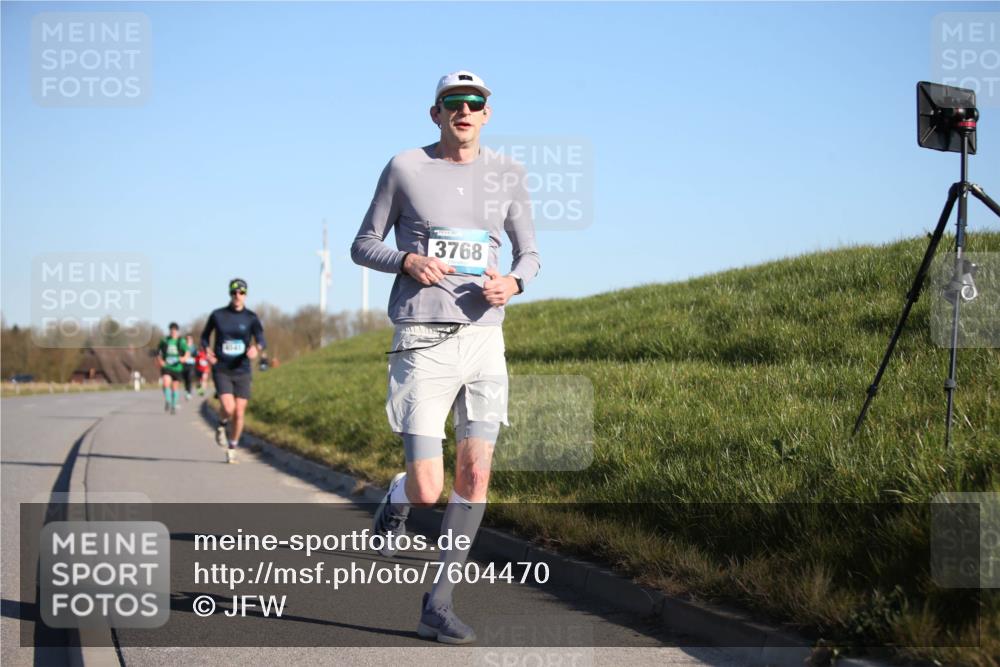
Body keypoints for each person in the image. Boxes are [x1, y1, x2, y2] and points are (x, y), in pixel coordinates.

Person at [351, 70, 540, 644]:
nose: (464, 110)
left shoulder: (509, 173)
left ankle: (439, 601)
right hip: (422, 338)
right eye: (452, 103)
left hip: (485, 336)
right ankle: (398, 495)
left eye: (474, 102)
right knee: (430, 487)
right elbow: (363, 244)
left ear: (487, 113)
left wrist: (514, 282)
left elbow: (529, 252)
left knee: (476, 473)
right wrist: (406, 262)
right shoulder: (405, 167)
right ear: (435, 114)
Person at [200, 278, 267, 464]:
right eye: (234, 292)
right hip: (222, 368)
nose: (237, 295)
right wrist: (207, 351)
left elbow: (261, 339)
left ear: (246, 295)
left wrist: (257, 348)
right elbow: (205, 337)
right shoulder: (218, 315)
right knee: (228, 408)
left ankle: (232, 447)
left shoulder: (251, 318)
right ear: (230, 294)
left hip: (243, 369)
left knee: (239, 412)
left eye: (241, 292)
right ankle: (221, 425)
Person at [156, 322, 189, 414]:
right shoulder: (165, 340)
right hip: (167, 366)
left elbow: (187, 352)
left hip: (177, 367)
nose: (173, 332)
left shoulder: (181, 341)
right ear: (169, 331)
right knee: (166, 382)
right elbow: (158, 352)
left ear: (177, 331)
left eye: (175, 330)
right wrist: (160, 361)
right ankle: (168, 400)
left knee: (175, 387)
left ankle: (173, 405)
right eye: (171, 330)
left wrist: (184, 358)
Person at [181, 334, 198, 400]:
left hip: (192, 364)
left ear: (192, 340)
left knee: (189, 377)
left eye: (190, 339)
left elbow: (196, 355)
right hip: (184, 364)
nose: (188, 340)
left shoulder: (194, 347)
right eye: (187, 339)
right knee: (185, 378)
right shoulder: (183, 347)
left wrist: (193, 355)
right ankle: (187, 390)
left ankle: (189, 392)